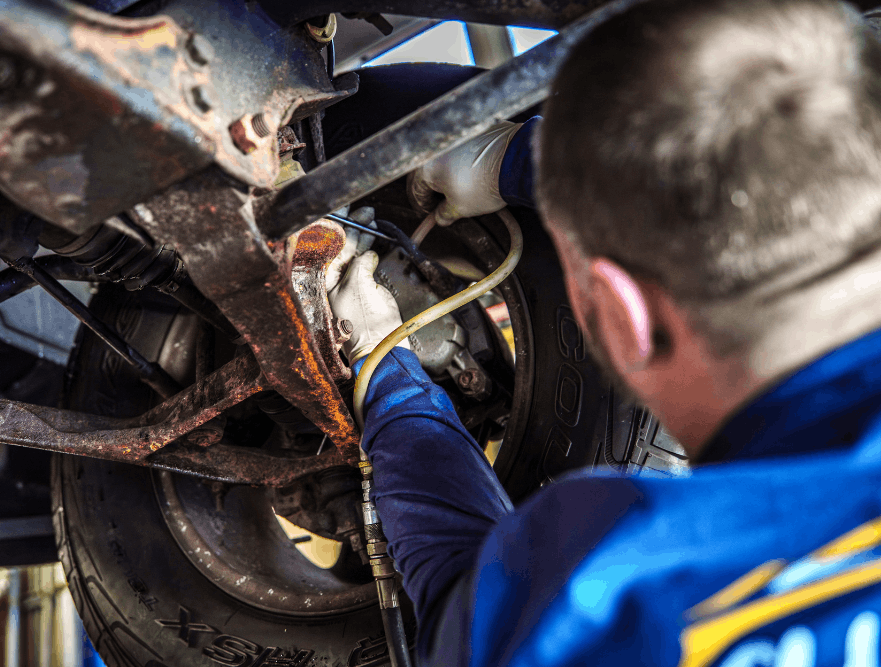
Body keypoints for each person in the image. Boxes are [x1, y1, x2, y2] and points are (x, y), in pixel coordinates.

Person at [326, 0, 881, 665]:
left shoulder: (611, 600)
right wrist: (511, 162)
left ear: (622, 316)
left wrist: (387, 373)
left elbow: (468, 614)